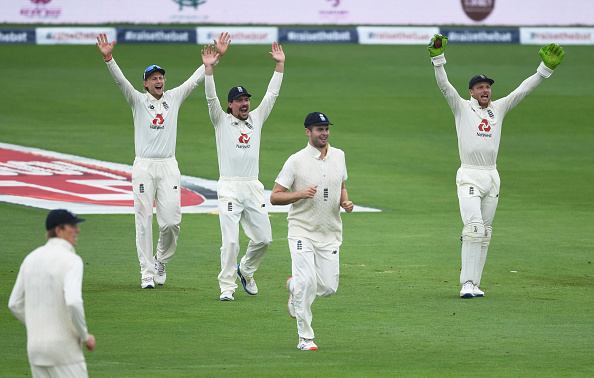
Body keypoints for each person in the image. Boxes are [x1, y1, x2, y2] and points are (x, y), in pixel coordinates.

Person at [427, 34, 565, 298]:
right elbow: (445, 86)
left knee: (485, 233)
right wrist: (438, 59)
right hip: (469, 174)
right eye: (479, 87)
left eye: (487, 87)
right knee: (474, 228)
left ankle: (474, 284)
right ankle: (466, 283)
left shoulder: (498, 109)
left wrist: (544, 70)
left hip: (492, 176)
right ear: (471, 92)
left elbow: (523, 90)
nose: (485, 90)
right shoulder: (461, 108)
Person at [95, 32, 230, 289]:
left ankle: (160, 259)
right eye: (153, 78)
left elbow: (194, 81)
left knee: (171, 222)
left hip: (169, 166)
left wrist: (214, 60)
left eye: (161, 77)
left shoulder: (173, 98)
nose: (159, 81)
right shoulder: (137, 100)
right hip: (144, 166)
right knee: (143, 219)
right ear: (145, 84)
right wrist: (109, 58)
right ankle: (146, 272)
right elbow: (121, 81)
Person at [201, 41, 285, 301]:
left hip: (252, 186)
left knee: (264, 239)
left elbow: (271, 95)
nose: (245, 103)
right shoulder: (221, 120)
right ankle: (227, 286)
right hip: (228, 187)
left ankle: (246, 270)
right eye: (239, 100)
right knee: (231, 241)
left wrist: (280, 65)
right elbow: (210, 98)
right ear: (230, 105)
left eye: (247, 99)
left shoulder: (257, 119)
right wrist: (208, 70)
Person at [270, 112, 354, 351]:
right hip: (302, 230)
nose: (324, 133)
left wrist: (345, 202)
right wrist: (299, 194)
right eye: (319, 129)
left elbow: (342, 185)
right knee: (307, 282)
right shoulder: (295, 160)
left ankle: (295, 288)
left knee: (328, 287)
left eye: (326, 128)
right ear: (308, 132)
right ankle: (305, 338)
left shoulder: (339, 156)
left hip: (329, 231)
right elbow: (275, 197)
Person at [9, 209, 96, 378]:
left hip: (36, 349)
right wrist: (85, 336)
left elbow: (14, 303)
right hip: (64, 351)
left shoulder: (30, 258)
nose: (77, 230)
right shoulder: (72, 260)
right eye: (72, 226)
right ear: (58, 230)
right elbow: (73, 302)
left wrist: (39, 326)